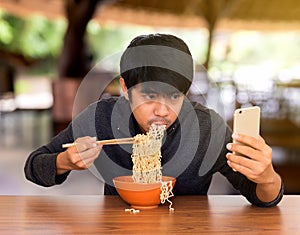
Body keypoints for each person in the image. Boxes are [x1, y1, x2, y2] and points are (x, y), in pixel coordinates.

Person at [24, 33, 283, 207]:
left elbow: (261, 197)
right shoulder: (100, 118)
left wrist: (267, 177)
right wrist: (64, 161)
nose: (162, 110)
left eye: (174, 96)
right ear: (125, 89)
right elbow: (33, 167)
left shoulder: (207, 128)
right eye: (149, 96)